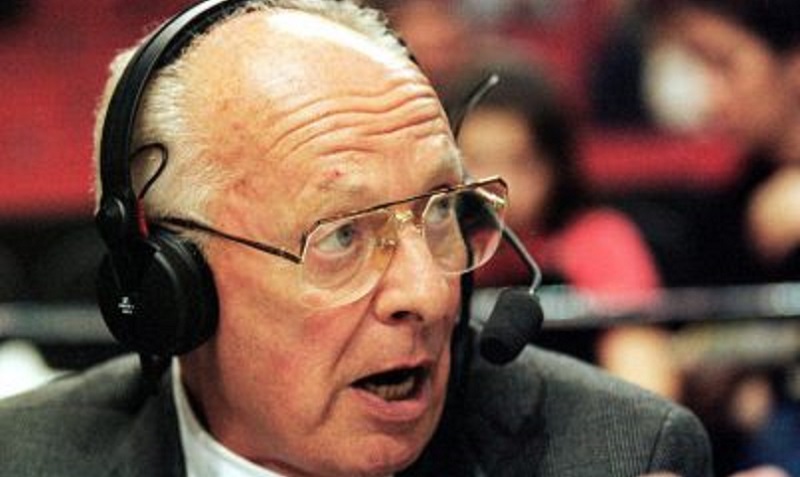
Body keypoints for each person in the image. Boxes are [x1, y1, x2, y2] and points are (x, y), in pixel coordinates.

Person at [0, 1, 712, 476]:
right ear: (168, 282)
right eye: (341, 234)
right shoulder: (25, 456)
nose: (429, 293)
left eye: (439, 210)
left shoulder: (615, 454)